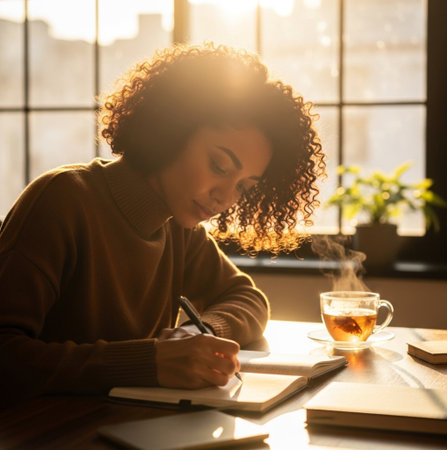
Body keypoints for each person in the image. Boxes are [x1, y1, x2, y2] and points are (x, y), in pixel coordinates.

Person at [0, 43, 325, 405]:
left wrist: (196, 334)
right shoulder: (63, 201)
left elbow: (249, 299)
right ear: (171, 129)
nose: (226, 199)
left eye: (244, 187)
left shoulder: (179, 227)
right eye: (219, 166)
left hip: (127, 425)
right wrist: (148, 362)